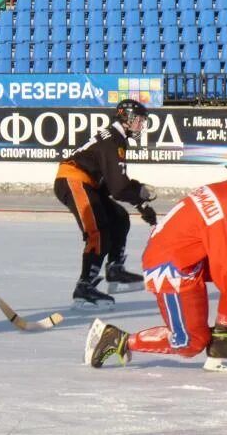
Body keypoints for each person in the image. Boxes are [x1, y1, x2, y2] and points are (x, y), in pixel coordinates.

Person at [84, 143, 227, 373]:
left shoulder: (223, 190)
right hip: (170, 267)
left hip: (184, 258)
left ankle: (221, 339)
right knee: (190, 342)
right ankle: (118, 338)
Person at [54, 99, 157, 309]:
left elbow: (113, 183)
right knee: (98, 231)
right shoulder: (113, 140)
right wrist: (141, 203)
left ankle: (114, 269)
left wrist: (137, 191)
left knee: (119, 218)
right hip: (73, 180)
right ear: (126, 118)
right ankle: (84, 287)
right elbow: (118, 188)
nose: (142, 125)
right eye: (138, 120)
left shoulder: (115, 137)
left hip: (87, 183)